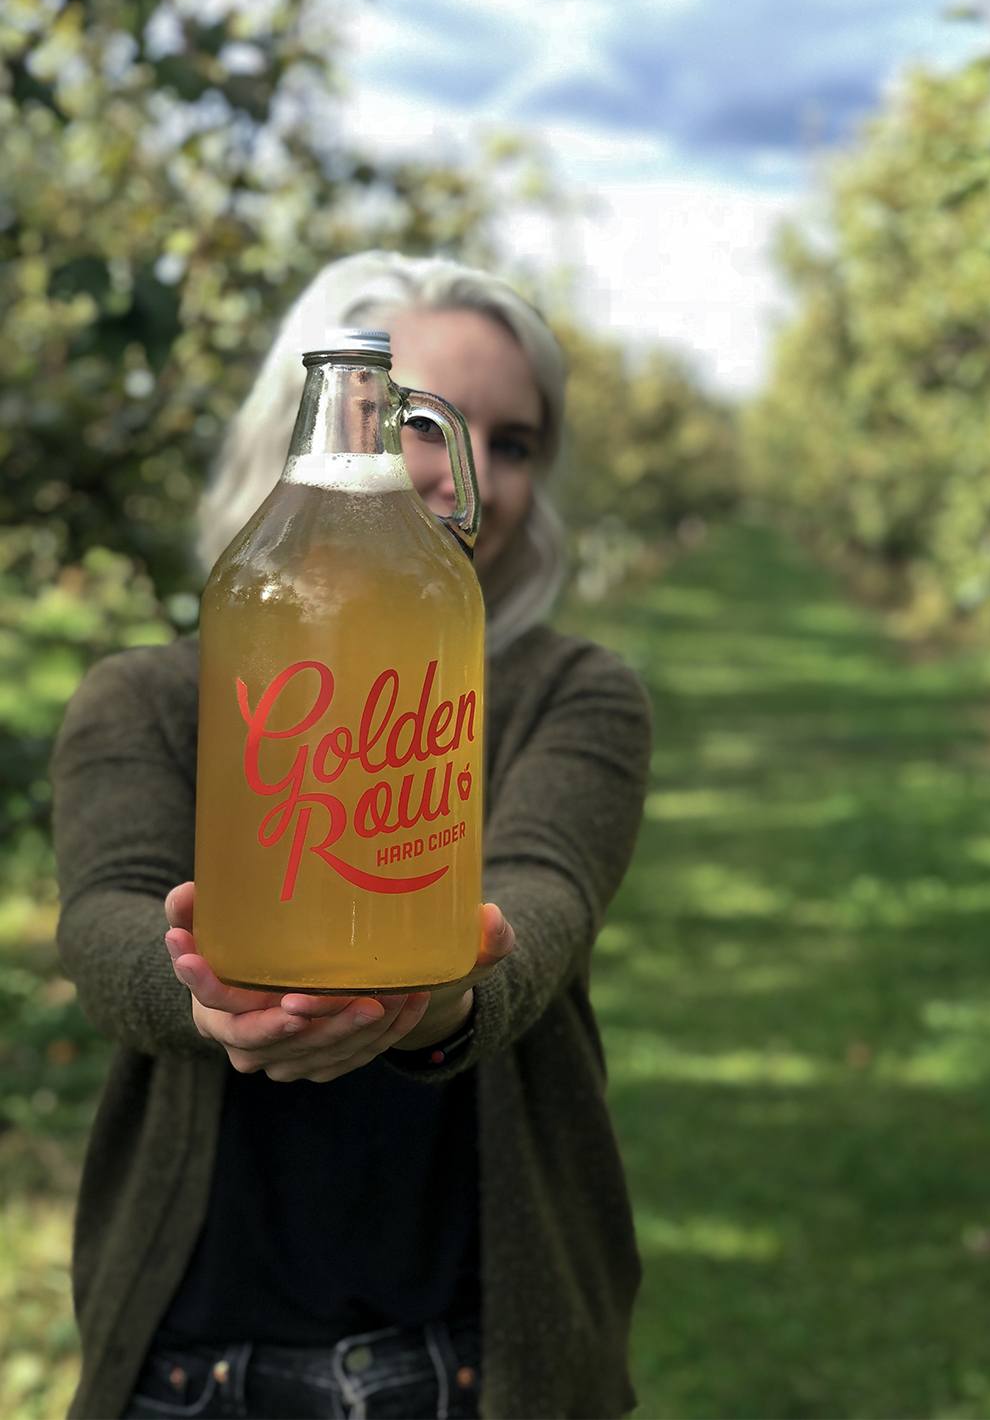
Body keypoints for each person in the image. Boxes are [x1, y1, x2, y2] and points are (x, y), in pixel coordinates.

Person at [52, 251, 652, 1420]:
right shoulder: (149, 697)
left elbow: (542, 894)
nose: (457, 472)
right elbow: (107, 918)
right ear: (322, 415)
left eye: (511, 442)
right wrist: (213, 996)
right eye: (420, 422)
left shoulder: (571, 691)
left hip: (482, 1362)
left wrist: (435, 1000)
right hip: (193, 1368)